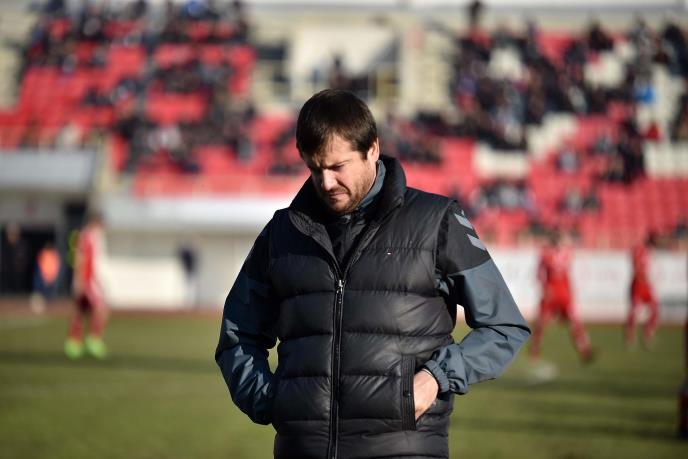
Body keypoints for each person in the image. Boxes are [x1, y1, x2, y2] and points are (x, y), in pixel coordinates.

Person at [215, 89, 530, 458]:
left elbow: (504, 326)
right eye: (315, 168)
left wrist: (437, 378)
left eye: (337, 166)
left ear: (373, 150)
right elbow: (237, 334)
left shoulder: (437, 221)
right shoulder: (281, 234)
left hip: (403, 449)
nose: (326, 182)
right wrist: (270, 401)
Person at [529, 231, 594, 363]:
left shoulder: (566, 252)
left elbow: (566, 271)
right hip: (551, 294)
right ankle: (535, 349)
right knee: (541, 323)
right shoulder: (546, 254)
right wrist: (545, 288)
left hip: (564, 294)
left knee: (575, 322)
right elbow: (539, 274)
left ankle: (584, 349)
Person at [64, 213, 109, 359]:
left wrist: (97, 280)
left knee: (81, 310)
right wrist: (80, 280)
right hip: (86, 281)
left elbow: (91, 261)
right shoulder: (87, 236)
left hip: (88, 280)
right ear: (96, 223)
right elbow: (80, 259)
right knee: (101, 309)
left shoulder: (91, 237)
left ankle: (74, 343)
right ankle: (93, 341)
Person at [625, 241, 658, 348]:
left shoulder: (649, 254)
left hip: (646, 285)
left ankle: (648, 333)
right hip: (638, 285)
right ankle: (630, 334)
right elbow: (636, 269)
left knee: (654, 308)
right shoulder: (638, 252)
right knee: (635, 311)